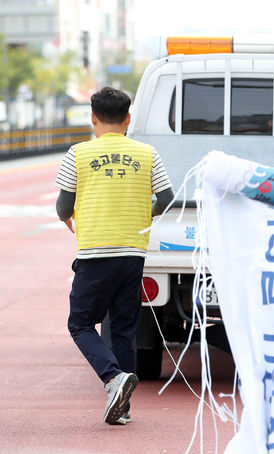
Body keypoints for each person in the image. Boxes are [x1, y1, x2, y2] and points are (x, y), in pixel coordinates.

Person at [54, 87, 174, 425]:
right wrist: (143, 214)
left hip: (95, 252)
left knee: (79, 322)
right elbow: (166, 198)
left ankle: (112, 378)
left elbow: (63, 206)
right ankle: (123, 407)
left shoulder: (77, 154)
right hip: (133, 252)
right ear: (128, 119)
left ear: (93, 118)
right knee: (124, 329)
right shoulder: (148, 154)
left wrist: (72, 223)